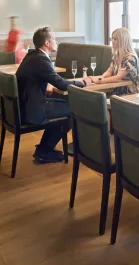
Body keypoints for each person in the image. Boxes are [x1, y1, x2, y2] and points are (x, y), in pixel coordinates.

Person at [16, 27, 92, 163]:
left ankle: (44, 149)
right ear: (47, 43)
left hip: (22, 106)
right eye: (54, 39)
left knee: (61, 107)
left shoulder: (32, 55)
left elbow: (40, 77)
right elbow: (62, 84)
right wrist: (83, 82)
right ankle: (44, 151)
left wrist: (47, 83)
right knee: (70, 110)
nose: (56, 42)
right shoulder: (41, 59)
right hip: (31, 111)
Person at [94, 27, 139, 95]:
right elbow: (109, 71)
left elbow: (118, 77)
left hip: (129, 94)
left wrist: (101, 81)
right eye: (112, 38)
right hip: (115, 91)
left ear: (123, 41)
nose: (112, 41)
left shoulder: (130, 58)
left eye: (115, 39)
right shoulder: (116, 55)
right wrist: (101, 77)